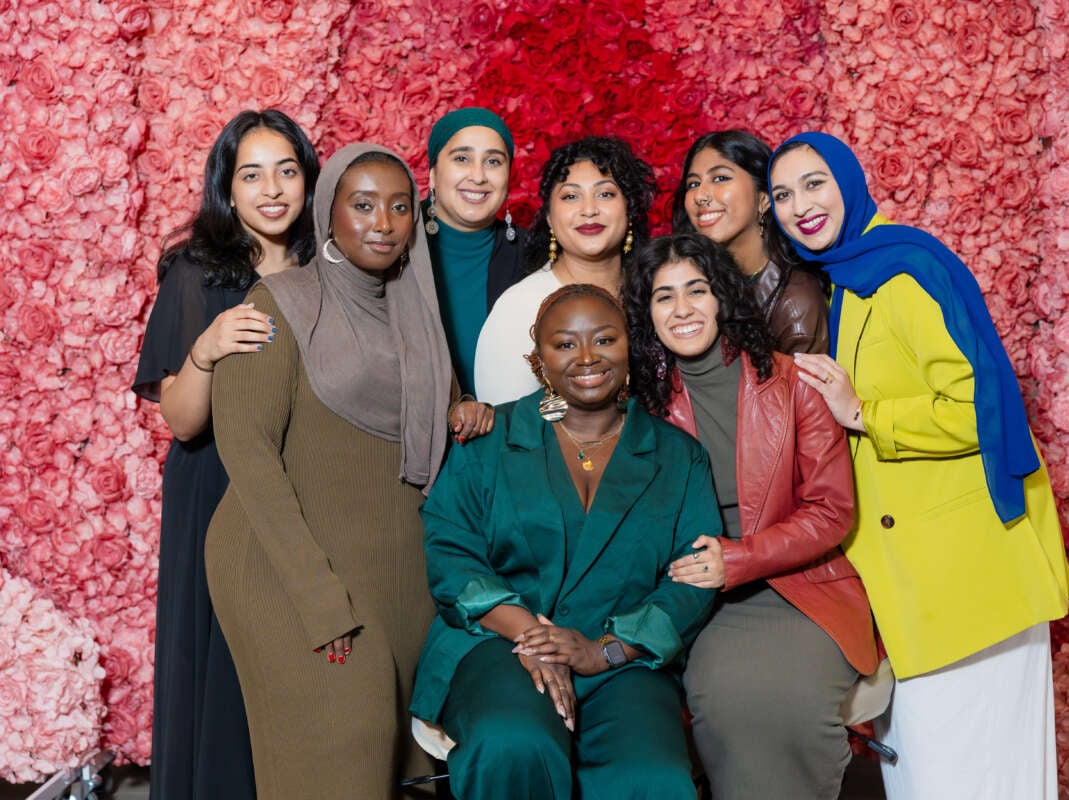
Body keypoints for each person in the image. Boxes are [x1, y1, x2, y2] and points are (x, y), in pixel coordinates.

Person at [769, 131, 1069, 799]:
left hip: (970, 576)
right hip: (920, 586)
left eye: (815, 183)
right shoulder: (851, 279)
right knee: (942, 776)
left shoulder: (905, 270)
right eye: (783, 195)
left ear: (848, 181)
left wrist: (865, 413)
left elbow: (980, 407)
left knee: (978, 775)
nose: (800, 205)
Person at [205, 143, 491, 798]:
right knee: (343, 745)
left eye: (398, 207)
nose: (383, 223)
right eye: (362, 205)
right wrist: (318, 600)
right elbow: (246, 450)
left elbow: (432, 423)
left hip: (389, 570)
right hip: (287, 566)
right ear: (327, 212)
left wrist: (473, 413)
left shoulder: (417, 311)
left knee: (377, 764)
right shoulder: (280, 302)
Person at [411, 284, 721, 800]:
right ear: (539, 359)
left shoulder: (678, 456)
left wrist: (605, 651)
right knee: (514, 742)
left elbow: (692, 579)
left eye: (604, 339)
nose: (586, 358)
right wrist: (531, 635)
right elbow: (450, 551)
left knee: (653, 778)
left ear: (630, 346)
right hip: (498, 643)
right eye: (564, 344)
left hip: (623, 661)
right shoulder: (491, 440)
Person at [623, 232, 877, 800]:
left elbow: (832, 510)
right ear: (646, 314)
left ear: (723, 299)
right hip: (696, 593)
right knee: (726, 701)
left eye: (697, 290)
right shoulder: (640, 402)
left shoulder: (793, 383)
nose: (683, 309)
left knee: (792, 705)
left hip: (800, 585)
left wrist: (740, 558)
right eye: (664, 297)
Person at [132, 109, 319, 800]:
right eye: (252, 173)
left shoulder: (329, 266)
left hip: (303, 484)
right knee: (220, 672)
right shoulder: (197, 271)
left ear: (307, 180)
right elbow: (182, 423)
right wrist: (206, 349)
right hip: (217, 489)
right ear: (227, 189)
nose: (272, 188)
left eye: (287, 170)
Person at [473, 136, 656, 404]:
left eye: (605, 194)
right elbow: (506, 425)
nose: (589, 210)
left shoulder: (657, 292)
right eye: (571, 196)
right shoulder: (521, 307)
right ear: (549, 217)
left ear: (629, 209)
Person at [672, 130, 829, 354]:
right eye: (693, 184)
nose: (700, 195)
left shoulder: (794, 303)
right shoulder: (692, 280)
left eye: (720, 178)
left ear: (764, 199)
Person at [422, 107, 526, 396]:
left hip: (502, 432)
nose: (478, 176)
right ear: (432, 174)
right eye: (462, 159)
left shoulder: (532, 255)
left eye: (493, 161)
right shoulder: (394, 242)